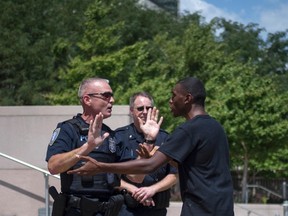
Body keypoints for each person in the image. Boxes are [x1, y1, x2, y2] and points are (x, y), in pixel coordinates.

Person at [69, 77, 235, 216]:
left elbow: (150, 166)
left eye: (174, 95)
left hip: (201, 209)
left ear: (187, 98)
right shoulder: (215, 126)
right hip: (222, 207)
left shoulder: (188, 130)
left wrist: (100, 167)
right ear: (131, 111)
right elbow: (191, 166)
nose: (170, 100)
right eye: (140, 108)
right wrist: (154, 152)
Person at [45, 77, 124, 216]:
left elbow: (131, 178)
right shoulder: (68, 129)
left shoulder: (110, 135)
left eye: (111, 96)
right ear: (87, 99)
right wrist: (88, 146)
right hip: (76, 211)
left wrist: (148, 142)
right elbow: (53, 166)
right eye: (106, 95)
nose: (112, 100)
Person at [116, 92, 177, 216]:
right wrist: (133, 190)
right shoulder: (119, 137)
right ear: (131, 111)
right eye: (140, 108)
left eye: (148, 108)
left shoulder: (166, 138)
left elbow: (175, 175)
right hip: (127, 210)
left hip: (156, 209)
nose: (145, 111)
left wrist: (152, 189)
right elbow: (109, 177)